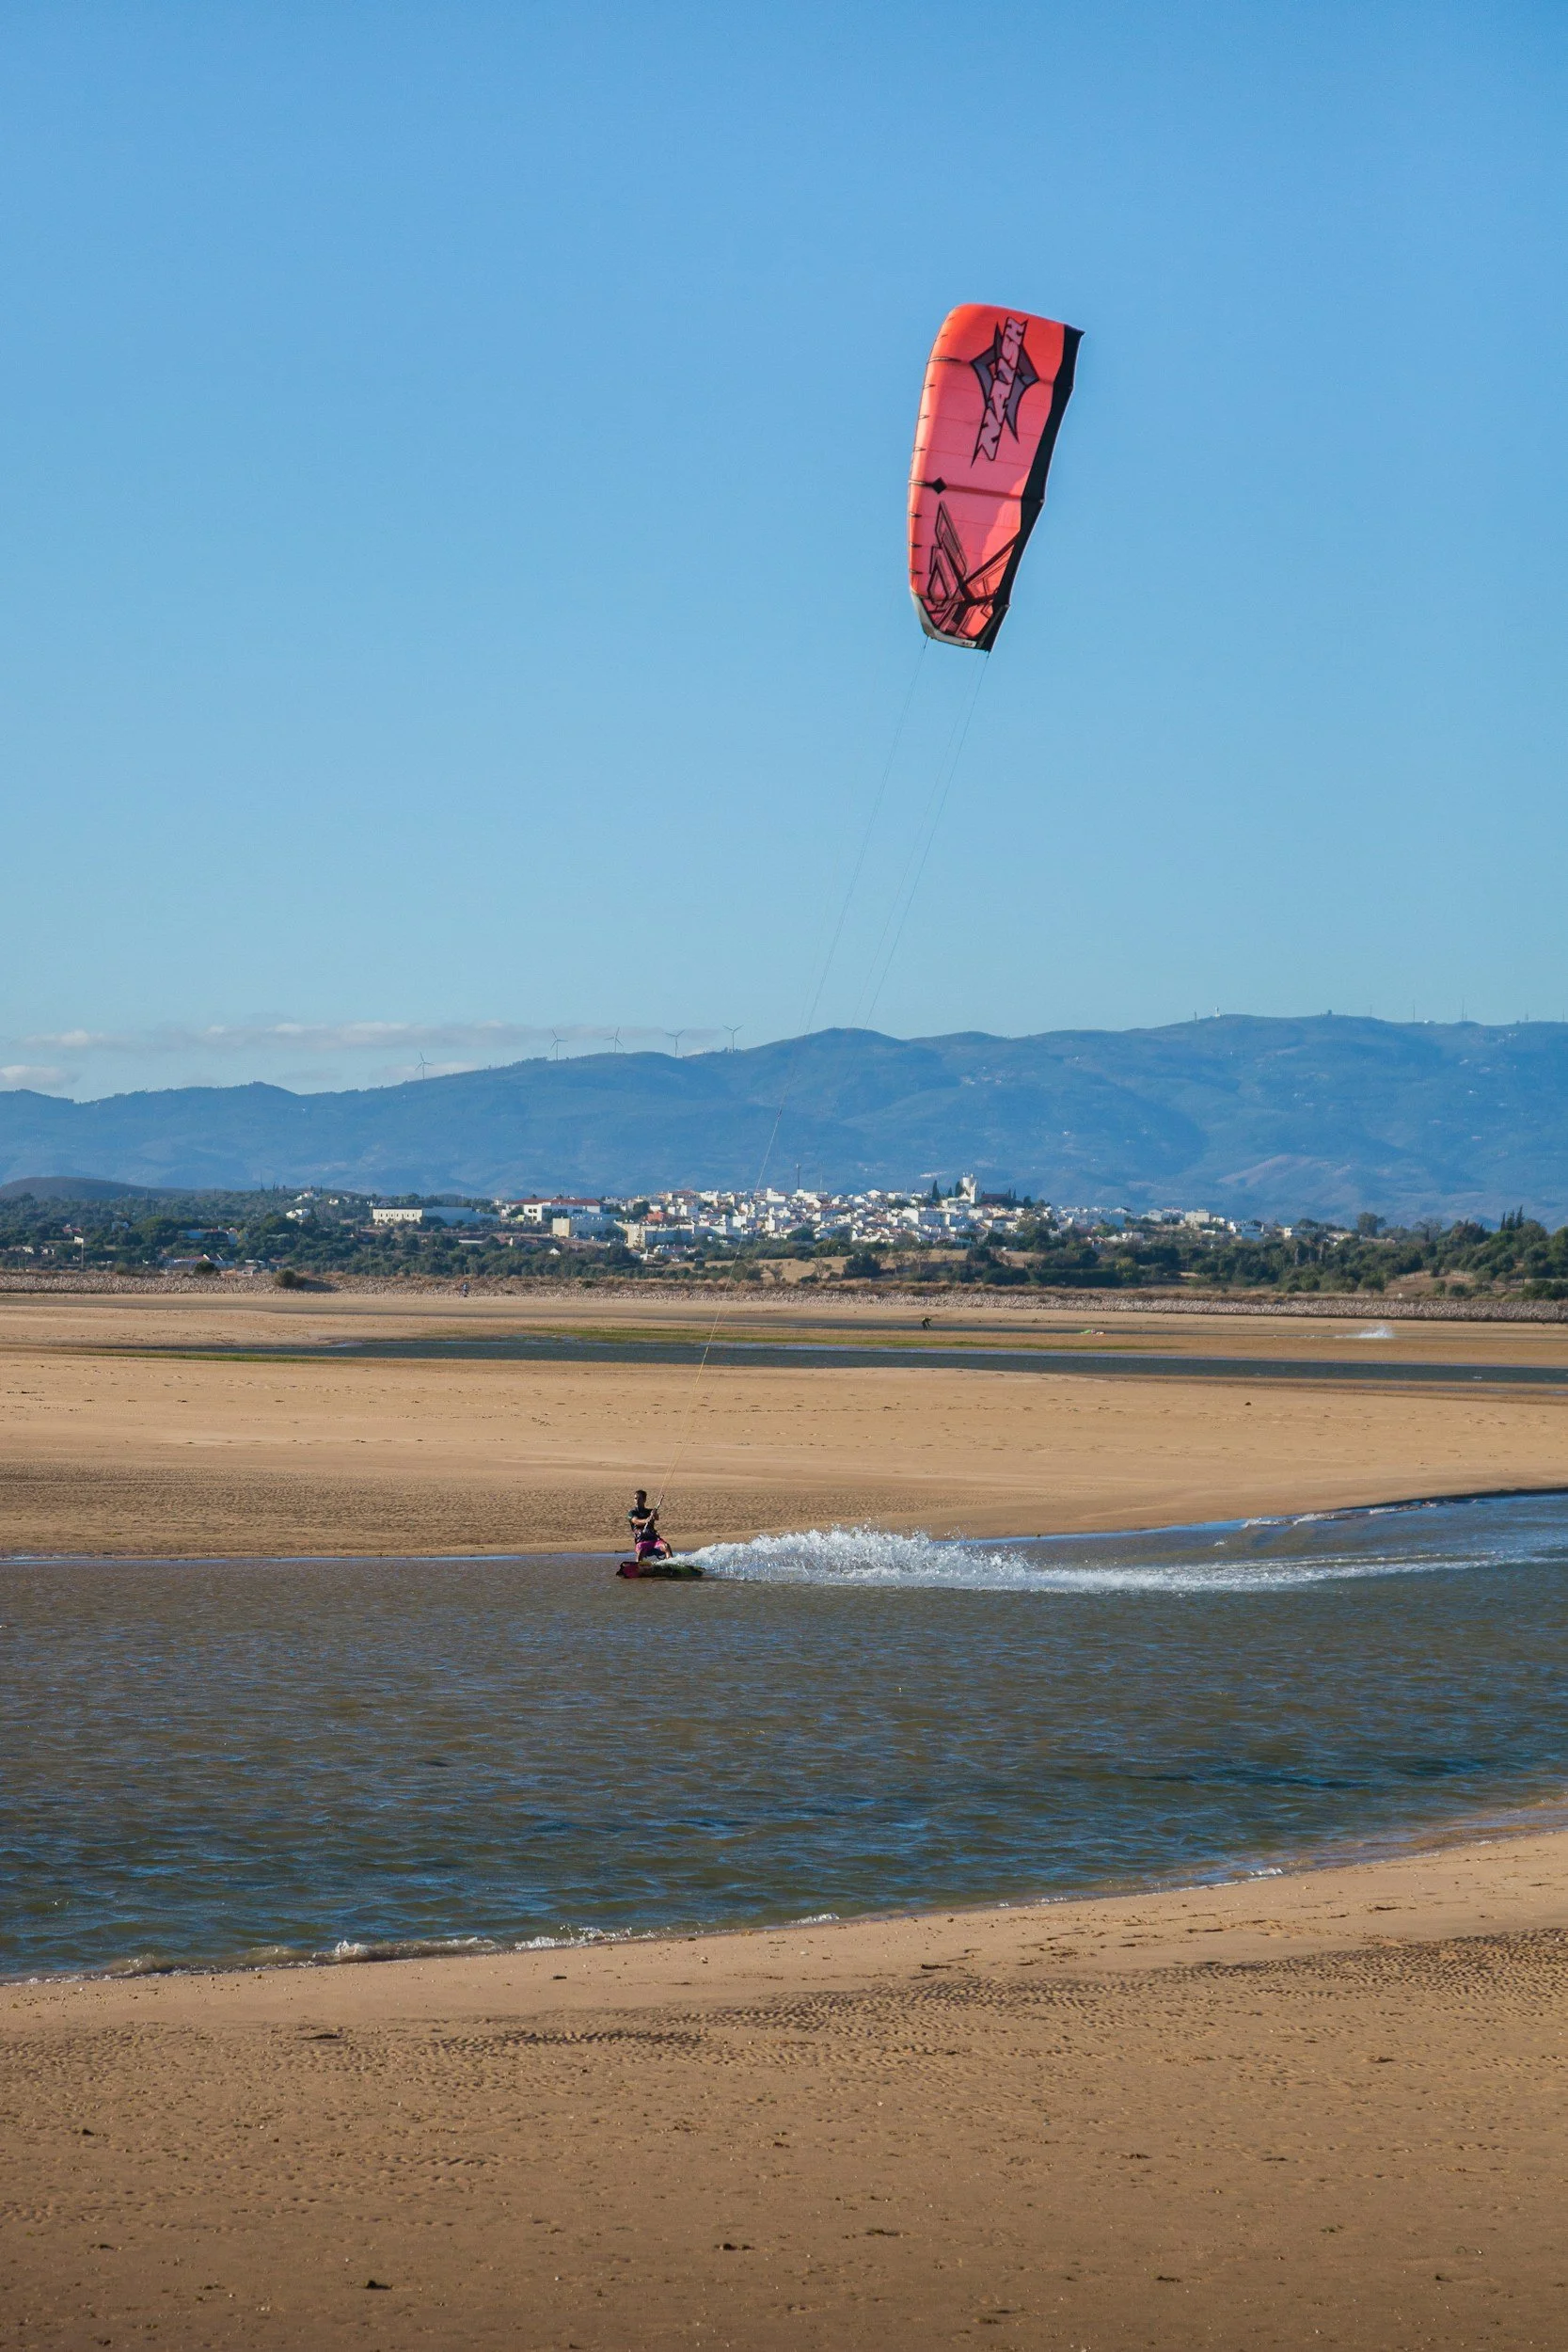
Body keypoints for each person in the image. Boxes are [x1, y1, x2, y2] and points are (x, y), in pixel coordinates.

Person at [626, 1489, 671, 1561]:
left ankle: (671, 1564)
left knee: (666, 1546)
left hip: (654, 1541)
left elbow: (657, 1518)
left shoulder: (650, 1512)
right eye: (635, 1498)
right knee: (641, 1550)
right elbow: (636, 1521)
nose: (637, 1501)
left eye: (639, 1498)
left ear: (644, 1500)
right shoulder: (632, 1513)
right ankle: (638, 1566)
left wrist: (654, 1513)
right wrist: (646, 1520)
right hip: (641, 1542)